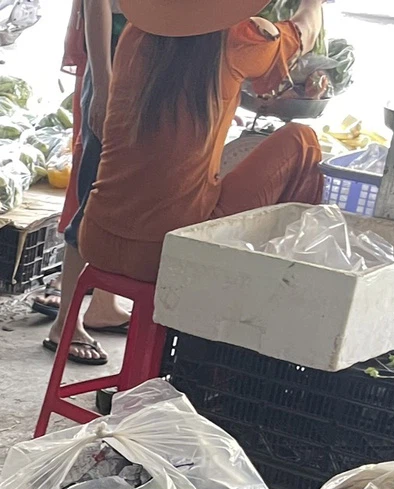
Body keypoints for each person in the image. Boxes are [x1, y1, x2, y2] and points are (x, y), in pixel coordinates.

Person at [77, 0, 325, 287]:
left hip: (97, 237)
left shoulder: (135, 35)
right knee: (302, 140)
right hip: (167, 248)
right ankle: (273, 283)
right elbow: (305, 31)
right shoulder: (239, 39)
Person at [42, 0, 129, 366]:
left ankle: (103, 306)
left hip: (151, 64)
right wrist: (105, 85)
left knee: (124, 195)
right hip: (115, 62)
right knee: (96, 195)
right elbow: (98, 6)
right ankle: (65, 322)